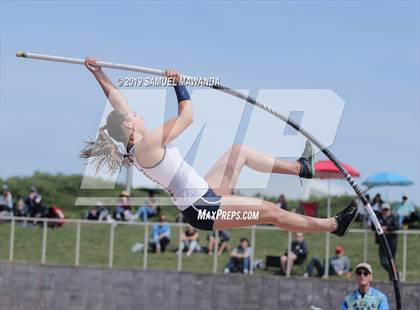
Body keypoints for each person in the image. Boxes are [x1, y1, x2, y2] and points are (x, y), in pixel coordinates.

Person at [80, 57, 357, 235]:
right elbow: (187, 116)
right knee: (271, 211)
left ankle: (301, 168)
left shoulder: (137, 145)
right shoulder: (146, 146)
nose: (137, 114)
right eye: (134, 116)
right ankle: (333, 226)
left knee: (239, 152)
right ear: (128, 126)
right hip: (204, 208)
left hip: (205, 194)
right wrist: (178, 85)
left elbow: (118, 102)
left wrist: (98, 73)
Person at [374, 203, 398, 280]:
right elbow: (372, 226)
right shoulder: (378, 217)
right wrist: (380, 228)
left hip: (391, 243)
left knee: (391, 261)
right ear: (381, 210)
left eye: (387, 209)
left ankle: (393, 278)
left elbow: (397, 227)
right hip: (382, 243)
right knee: (383, 262)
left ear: (390, 210)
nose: (385, 211)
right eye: (384, 209)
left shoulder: (393, 217)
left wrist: (387, 228)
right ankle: (395, 274)